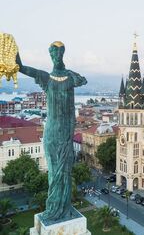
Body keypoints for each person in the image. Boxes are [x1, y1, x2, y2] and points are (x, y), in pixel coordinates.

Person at [16, 41, 87, 222]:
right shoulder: (46, 78)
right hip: (52, 131)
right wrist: (14, 55)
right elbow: (22, 68)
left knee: (66, 170)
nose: (56, 56)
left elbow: (83, 79)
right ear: (50, 56)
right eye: (53, 54)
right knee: (54, 171)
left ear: (63, 54)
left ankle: (65, 207)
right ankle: (54, 209)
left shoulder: (71, 77)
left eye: (59, 53)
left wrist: (68, 71)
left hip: (67, 130)